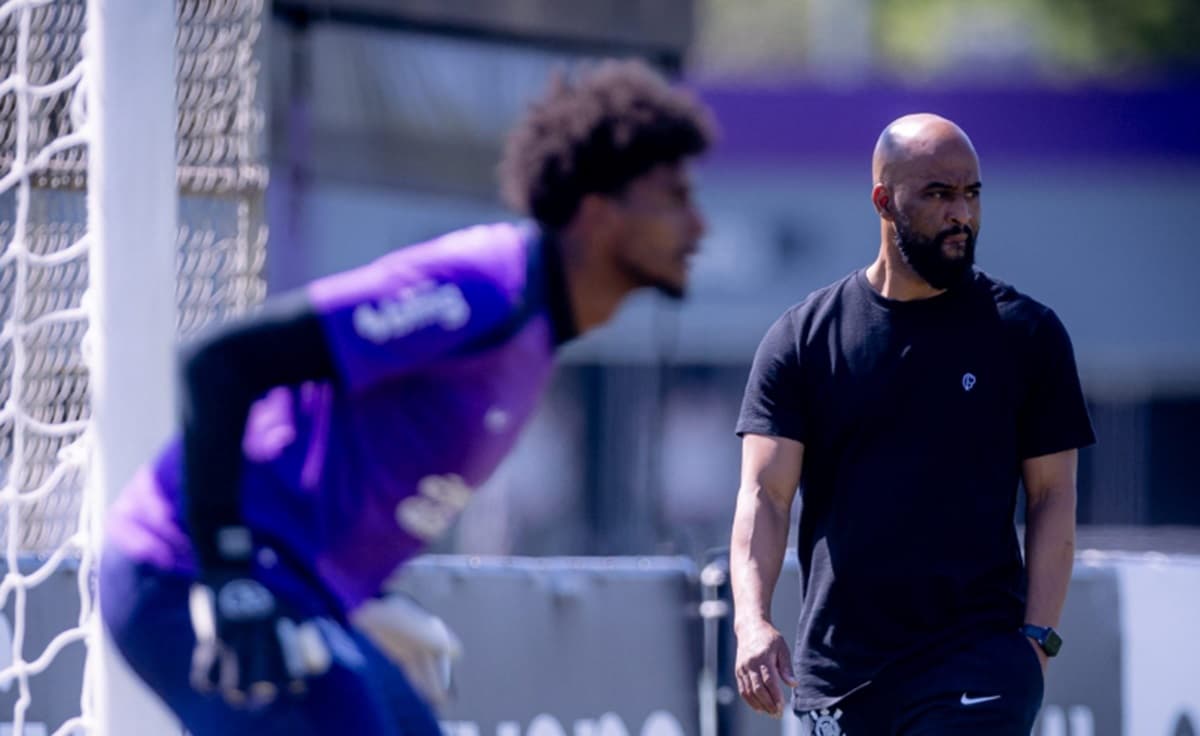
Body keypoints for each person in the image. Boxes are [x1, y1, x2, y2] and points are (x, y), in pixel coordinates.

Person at [99, 59, 714, 736]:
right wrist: (227, 571)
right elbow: (220, 361)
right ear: (598, 216)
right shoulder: (483, 290)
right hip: (183, 574)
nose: (697, 226)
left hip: (301, 590)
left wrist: (362, 596)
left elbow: (339, 459)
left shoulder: (534, 328)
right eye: (673, 199)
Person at [730, 113, 1095, 735]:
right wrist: (752, 623)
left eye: (972, 193)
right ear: (883, 200)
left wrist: (1036, 637)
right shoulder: (802, 339)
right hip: (842, 676)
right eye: (938, 194)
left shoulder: (1026, 335)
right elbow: (765, 495)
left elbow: (1052, 494)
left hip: (979, 665)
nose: (963, 214)